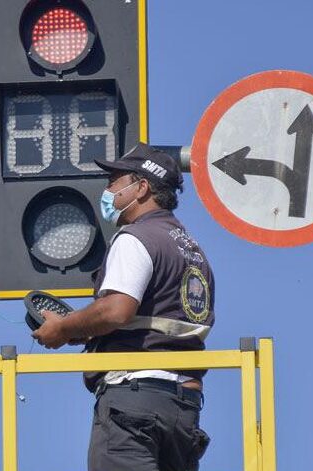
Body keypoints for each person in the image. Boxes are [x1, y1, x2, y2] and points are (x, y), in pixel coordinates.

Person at [33, 143, 214, 471]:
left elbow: (117, 310)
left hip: (134, 402)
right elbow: (157, 319)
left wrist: (63, 327)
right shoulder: (191, 249)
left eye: (114, 181)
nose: (107, 190)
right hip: (184, 408)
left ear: (142, 187)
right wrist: (84, 330)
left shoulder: (136, 237)